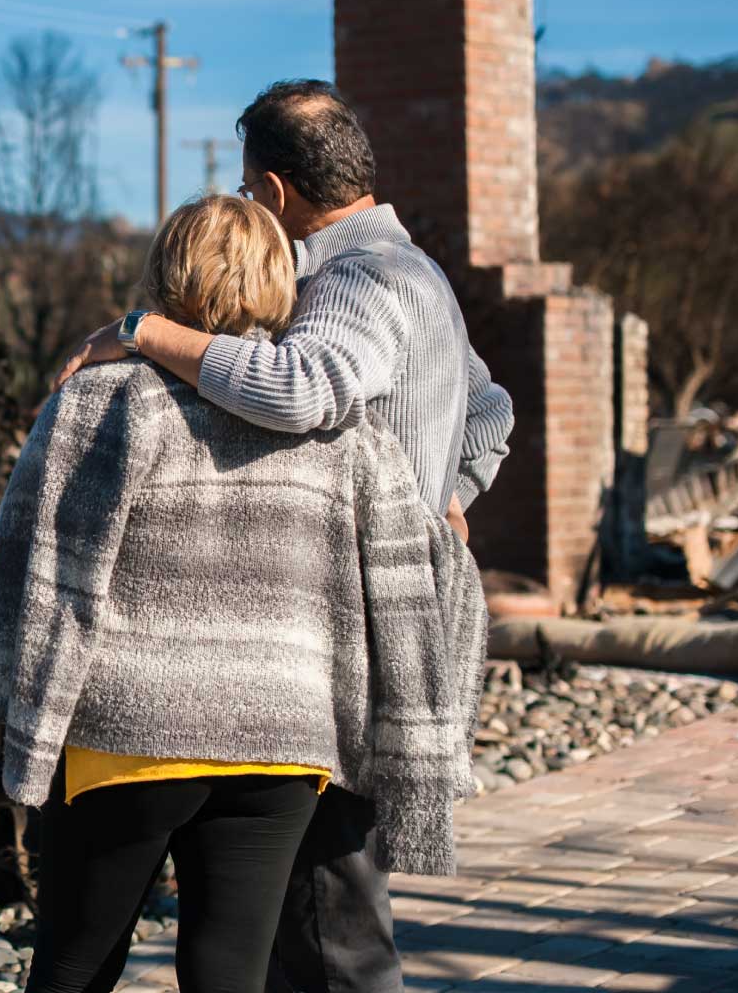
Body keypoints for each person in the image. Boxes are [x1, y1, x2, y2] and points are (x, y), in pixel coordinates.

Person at [52, 80, 514, 993]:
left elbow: (300, 389)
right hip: (389, 609)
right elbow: (491, 412)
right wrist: (446, 497)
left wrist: (146, 332)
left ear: (269, 191)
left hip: (355, 625)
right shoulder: (414, 272)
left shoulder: (354, 282)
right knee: (316, 913)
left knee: (328, 922)